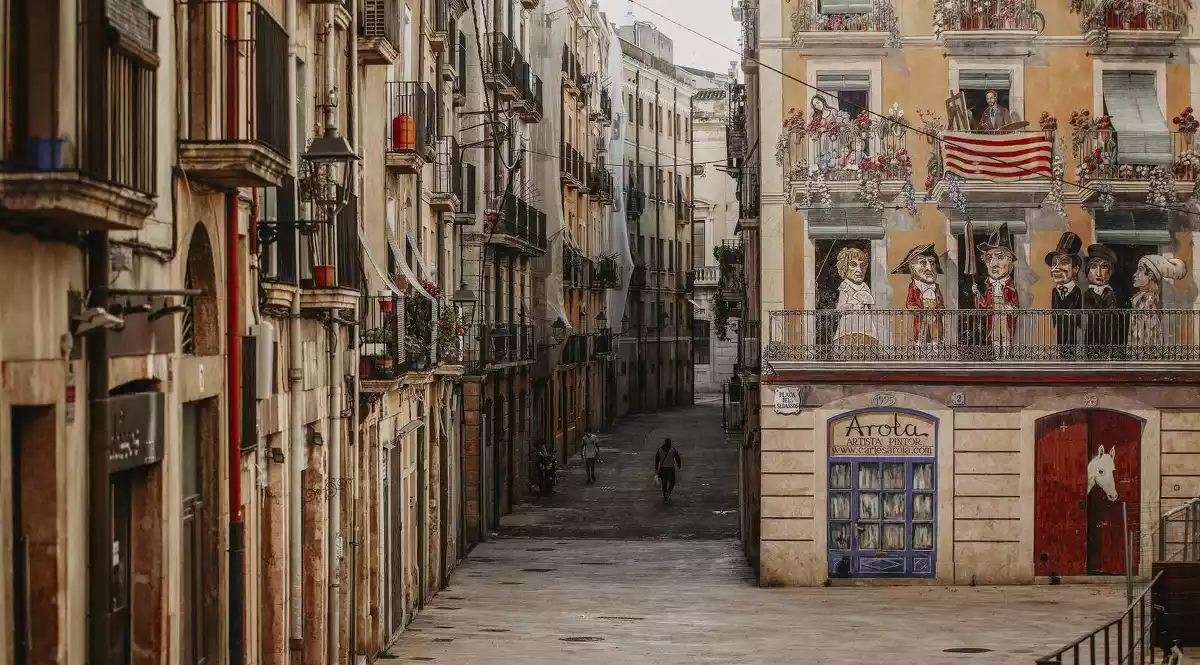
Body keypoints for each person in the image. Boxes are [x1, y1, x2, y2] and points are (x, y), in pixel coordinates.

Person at [972, 223, 1020, 357]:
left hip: (1005, 315)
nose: (993, 263)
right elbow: (984, 306)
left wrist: (1012, 309)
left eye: (999, 257)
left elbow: (1015, 303)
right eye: (989, 258)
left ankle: (1005, 356)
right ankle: (997, 355)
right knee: (995, 335)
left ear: (1009, 262)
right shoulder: (988, 286)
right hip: (993, 315)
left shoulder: (1011, 285)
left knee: (1005, 334)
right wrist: (976, 294)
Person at [1129, 254, 1187, 356]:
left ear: (1150, 275)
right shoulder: (1141, 297)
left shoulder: (1148, 298)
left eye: (1140, 270)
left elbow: (1147, 325)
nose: (1135, 274)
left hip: (1145, 339)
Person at [892, 243, 944, 347]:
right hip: (922, 320)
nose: (929, 268)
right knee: (921, 337)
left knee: (936, 336)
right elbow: (910, 303)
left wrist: (939, 309)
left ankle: (936, 349)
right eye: (923, 263)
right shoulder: (914, 287)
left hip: (934, 319)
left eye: (932, 263)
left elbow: (941, 302)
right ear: (912, 268)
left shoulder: (936, 287)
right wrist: (921, 312)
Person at [832, 246, 877, 357]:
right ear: (845, 268)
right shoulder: (845, 285)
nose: (859, 270)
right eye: (853, 265)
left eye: (862, 265)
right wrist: (851, 305)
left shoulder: (865, 287)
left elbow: (870, 303)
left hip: (866, 327)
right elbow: (840, 308)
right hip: (848, 327)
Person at [1047, 232, 1084, 359]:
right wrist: (1055, 318)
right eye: (1054, 263)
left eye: (1063, 262)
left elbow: (1077, 307)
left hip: (1072, 322)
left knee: (1071, 339)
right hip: (1061, 323)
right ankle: (1062, 354)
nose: (1056, 268)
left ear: (1075, 269)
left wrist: (1074, 317)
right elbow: (1054, 307)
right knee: (1061, 340)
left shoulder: (1076, 290)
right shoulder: (1055, 291)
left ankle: (1071, 355)